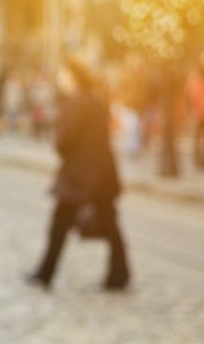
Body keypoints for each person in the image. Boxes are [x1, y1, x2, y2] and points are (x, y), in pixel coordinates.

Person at [27, 56, 130, 292]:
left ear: (72, 77)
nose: (60, 80)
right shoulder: (96, 100)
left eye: (63, 75)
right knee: (112, 225)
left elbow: (65, 142)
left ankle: (45, 273)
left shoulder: (74, 103)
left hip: (79, 177)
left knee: (59, 225)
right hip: (103, 174)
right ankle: (120, 274)